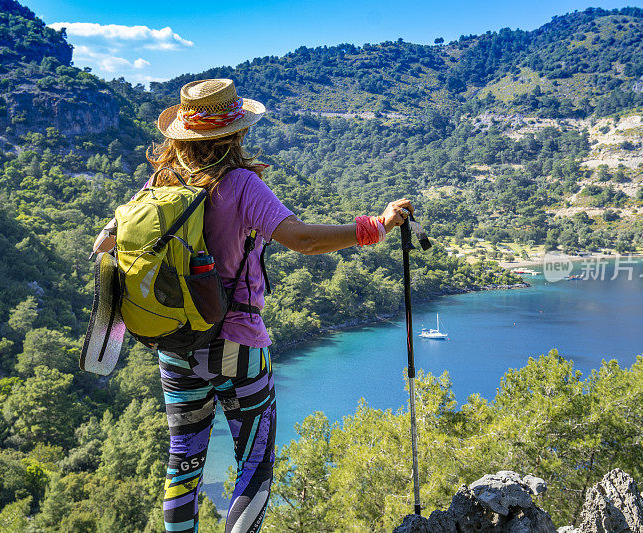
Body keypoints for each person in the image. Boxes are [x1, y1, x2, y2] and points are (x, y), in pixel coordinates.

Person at [93, 78, 413, 532]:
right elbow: (302, 239)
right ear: (237, 132)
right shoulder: (239, 184)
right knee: (255, 463)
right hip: (236, 343)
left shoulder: (158, 184)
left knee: (183, 463)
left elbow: (105, 241)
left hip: (174, 345)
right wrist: (375, 227)